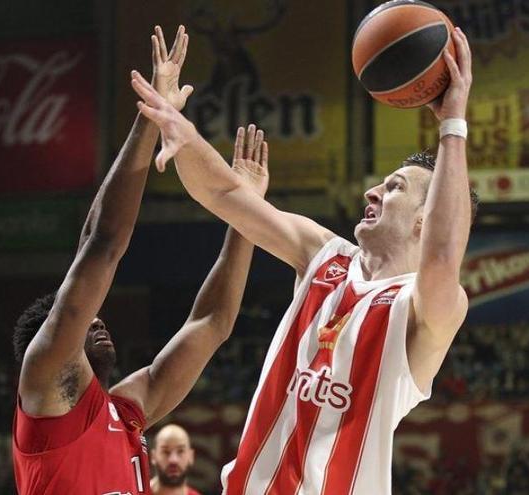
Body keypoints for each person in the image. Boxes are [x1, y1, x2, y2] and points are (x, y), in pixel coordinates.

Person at [130, 27, 477, 494]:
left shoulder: (429, 307)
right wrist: (177, 125)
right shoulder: (325, 254)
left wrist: (452, 121)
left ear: (424, 218)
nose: (373, 191)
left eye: (394, 187)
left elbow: (441, 256)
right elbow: (228, 193)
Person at [11, 25, 270, 494]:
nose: (97, 321)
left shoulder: (126, 410)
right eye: (83, 320)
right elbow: (102, 243)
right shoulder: (44, 375)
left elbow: (212, 321)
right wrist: (153, 117)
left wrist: (246, 214)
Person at [149, 424, 202, 495]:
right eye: (165, 451)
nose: (173, 460)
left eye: (180, 451)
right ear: (153, 456)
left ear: (191, 456)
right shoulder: (136, 493)